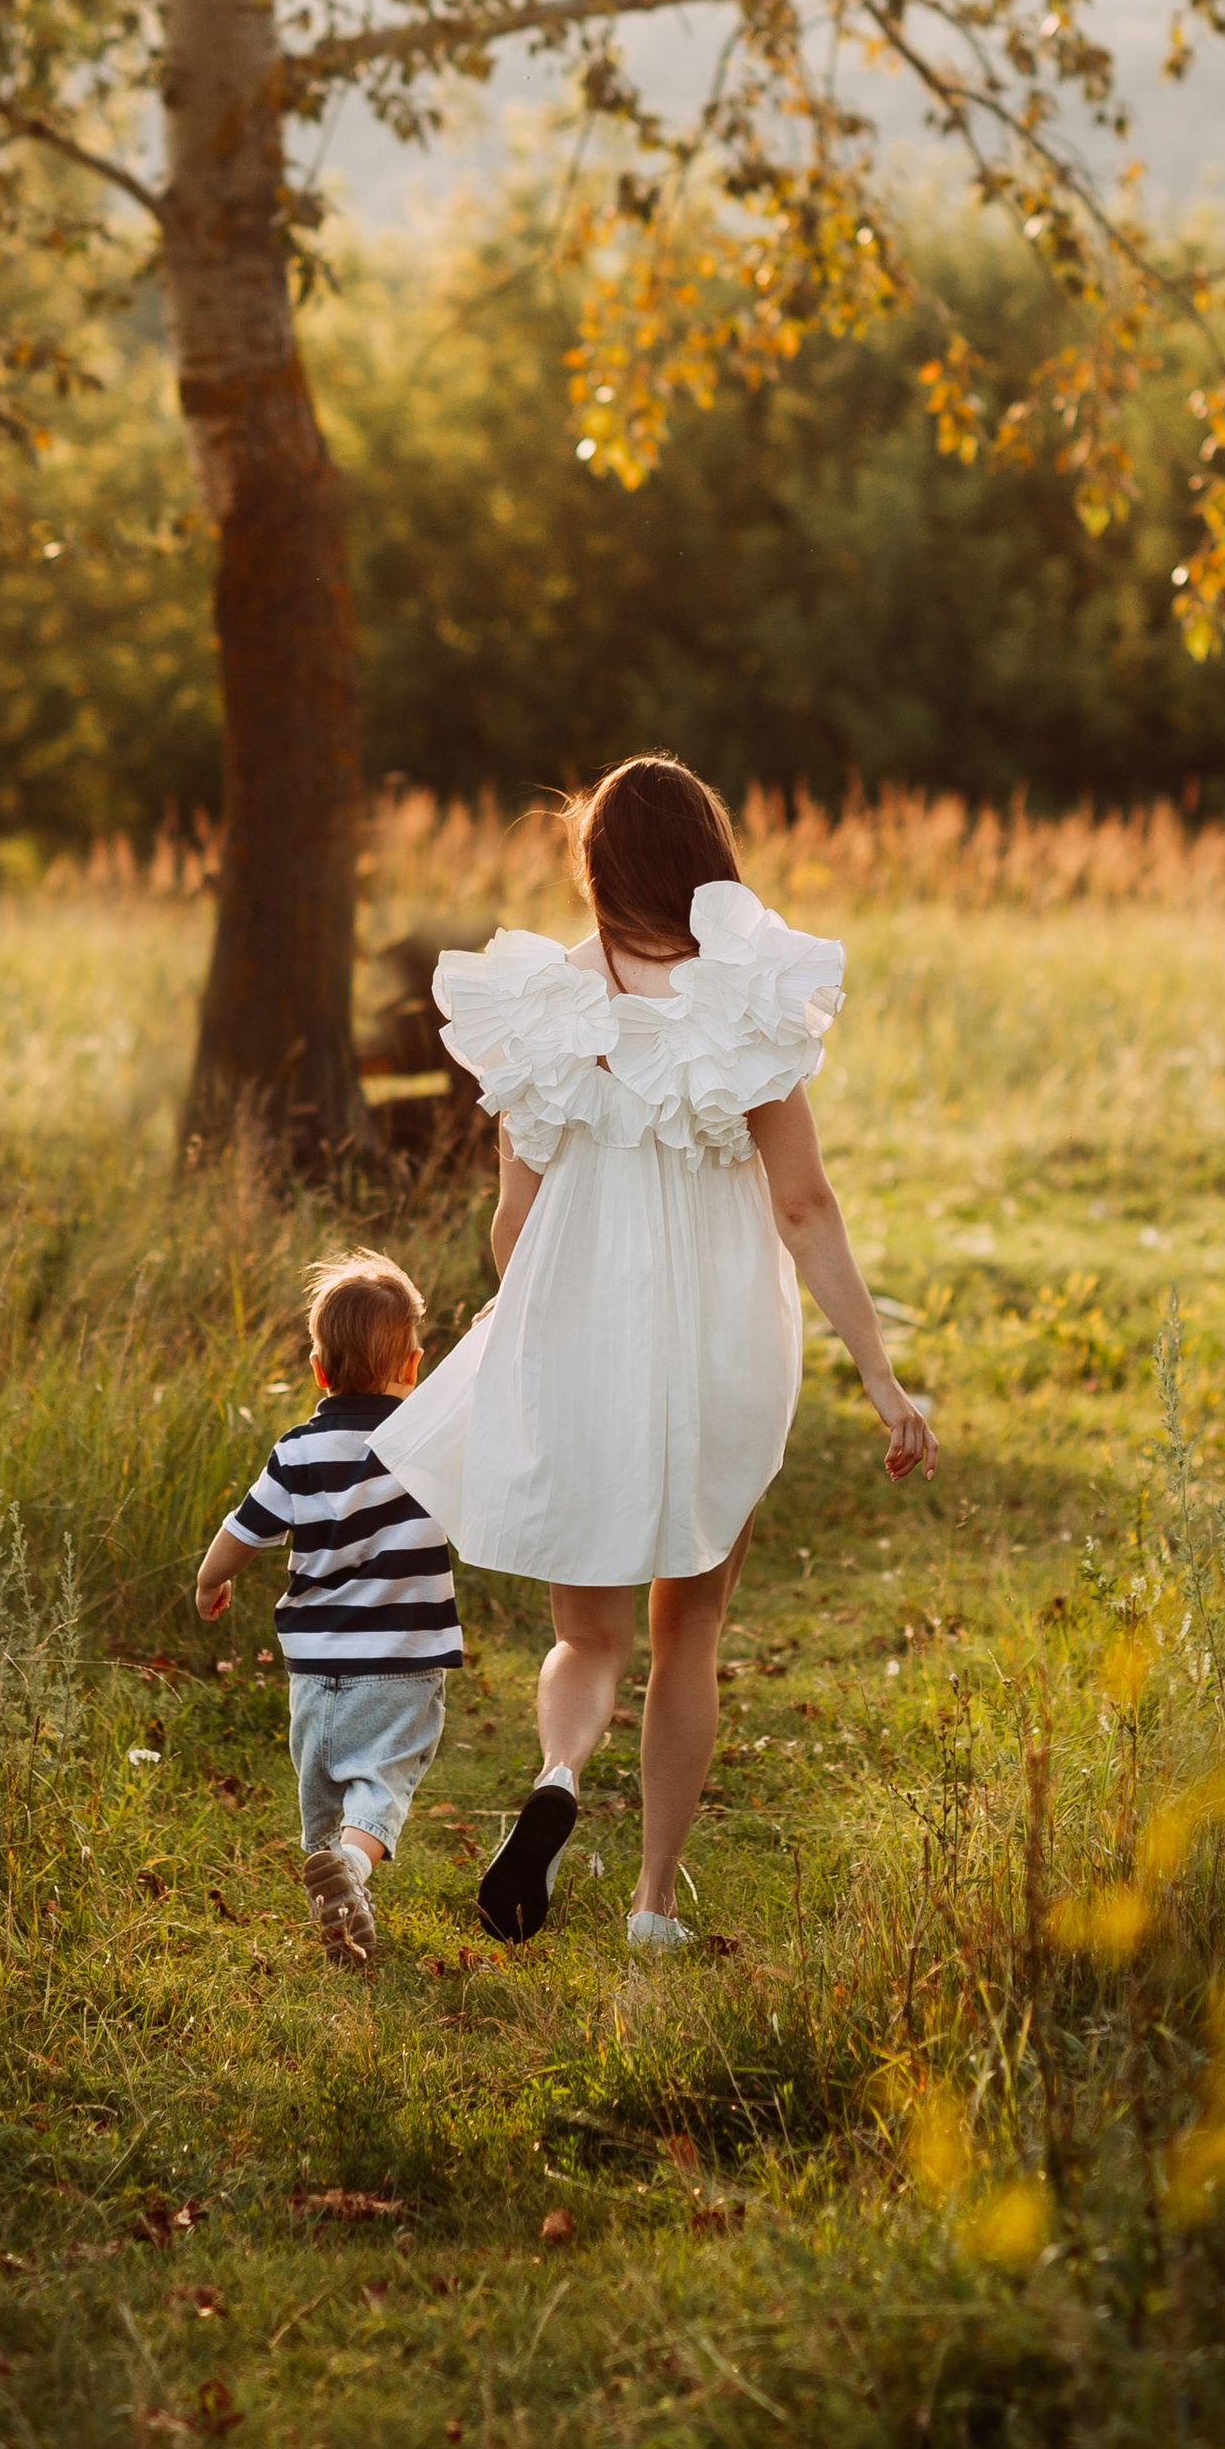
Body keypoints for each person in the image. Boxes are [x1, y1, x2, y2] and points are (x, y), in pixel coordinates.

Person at [375, 752, 935, 1954]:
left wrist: (515, 1322)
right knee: (691, 1632)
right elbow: (803, 1207)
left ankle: (558, 1778)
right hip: (712, 1341)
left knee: (588, 1635)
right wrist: (879, 1377)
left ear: (595, 867)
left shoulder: (543, 1005)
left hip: (577, 1329)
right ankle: (652, 1906)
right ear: (704, 857)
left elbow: (513, 1216)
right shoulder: (745, 997)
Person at [192, 1251, 461, 1968]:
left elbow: (242, 1531)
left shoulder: (297, 1450)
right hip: (403, 1662)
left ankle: (336, 1892)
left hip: (314, 1667)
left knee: (324, 1797)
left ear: (318, 1370)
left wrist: (208, 1580)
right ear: (413, 1362)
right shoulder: (427, 1445)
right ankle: (353, 1869)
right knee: (381, 1784)